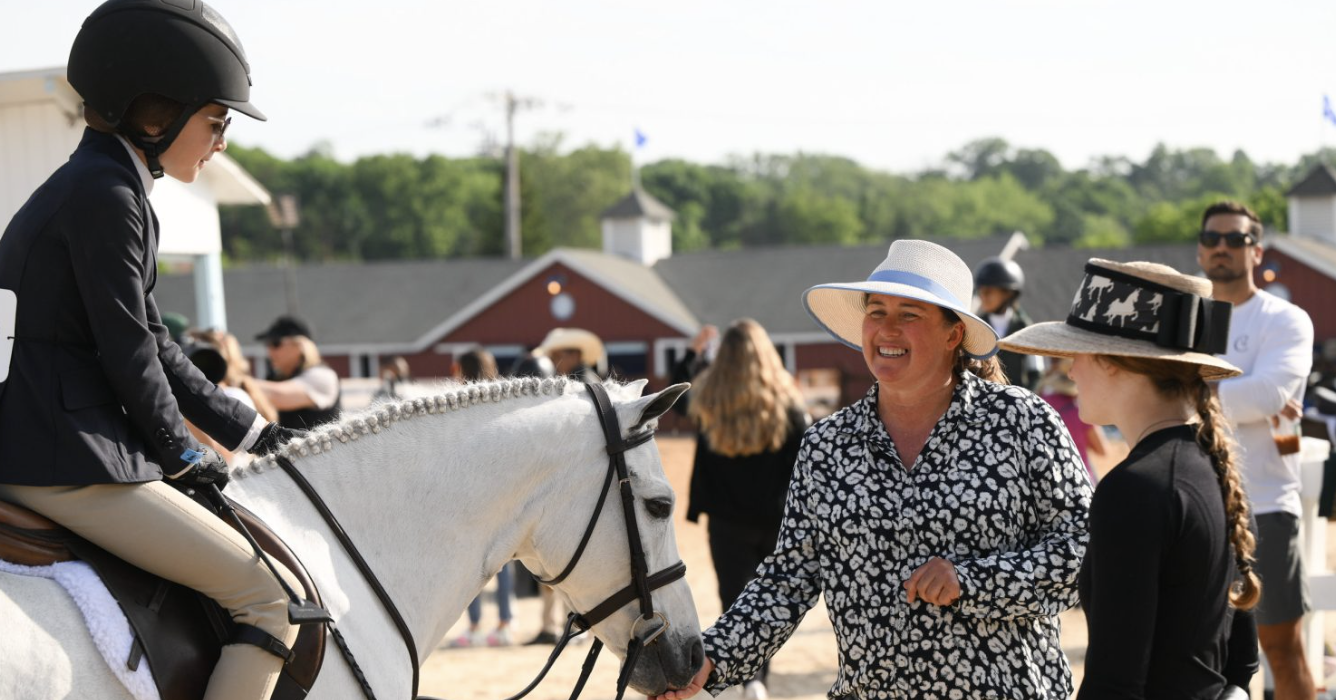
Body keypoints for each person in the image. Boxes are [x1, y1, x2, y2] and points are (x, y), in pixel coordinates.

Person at [0, 2, 304, 698]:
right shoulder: (108, 196)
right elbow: (128, 351)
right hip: (72, 462)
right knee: (270, 600)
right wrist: (184, 454)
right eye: (217, 120)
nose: (222, 140)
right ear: (155, 114)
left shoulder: (96, 185)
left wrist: (255, 432)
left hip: (48, 442)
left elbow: (153, 340)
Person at [655, 240, 1092, 700]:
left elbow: (1088, 547)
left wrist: (973, 581)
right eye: (876, 311)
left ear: (953, 335)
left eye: (910, 314)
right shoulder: (828, 445)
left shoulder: (1022, 421)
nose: (887, 329)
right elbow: (788, 580)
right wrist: (714, 659)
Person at [999, 258, 1259, 698]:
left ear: (1113, 361)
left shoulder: (1135, 488)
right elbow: (1241, 663)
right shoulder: (1218, 471)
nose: (1072, 370)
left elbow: (1115, 682)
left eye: (1076, 353)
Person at [1196, 201, 1316, 700]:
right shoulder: (1185, 316)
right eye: (1211, 238)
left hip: (1264, 503)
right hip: (1194, 506)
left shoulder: (1286, 319)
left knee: (1281, 650)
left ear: (1256, 250)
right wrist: (1239, 394)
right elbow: (1253, 396)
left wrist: (1183, 391)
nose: (1221, 246)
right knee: (1197, 656)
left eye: (1235, 239)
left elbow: (1268, 396)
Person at [684, 319, 809, 700]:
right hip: (775, 517)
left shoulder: (709, 395)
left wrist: (694, 352)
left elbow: (680, 384)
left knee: (734, 600)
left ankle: (747, 677)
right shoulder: (786, 399)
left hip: (726, 518)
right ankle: (758, 680)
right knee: (768, 599)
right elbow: (800, 457)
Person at [523, 327, 607, 644]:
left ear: (572, 354)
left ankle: (571, 626)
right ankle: (555, 625)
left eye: (558, 355)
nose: (555, 361)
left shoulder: (580, 386)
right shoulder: (586, 382)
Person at [447, 348, 516, 648]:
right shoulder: (503, 401)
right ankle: (504, 624)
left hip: (472, 491)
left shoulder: (463, 404)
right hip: (503, 489)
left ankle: (474, 626)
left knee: (470, 564)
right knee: (503, 563)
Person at [253, 315, 342, 430]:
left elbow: (278, 396)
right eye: (267, 344)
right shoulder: (274, 378)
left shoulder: (322, 375)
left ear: (300, 345)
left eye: (276, 343)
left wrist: (236, 381)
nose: (269, 351)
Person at [973, 256, 1042, 390]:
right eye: (980, 292)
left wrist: (1026, 401)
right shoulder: (977, 327)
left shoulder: (1024, 327)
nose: (983, 298)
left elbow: (1036, 372)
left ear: (1008, 293)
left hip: (1017, 401)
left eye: (988, 292)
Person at [1037, 357, 1108, 483]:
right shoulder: (1080, 410)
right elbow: (1102, 450)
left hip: (1050, 481)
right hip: (1080, 479)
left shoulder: (1040, 403)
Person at [533, 327, 604, 384]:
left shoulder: (584, 383)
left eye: (556, 357)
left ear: (574, 356)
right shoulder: (584, 379)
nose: (553, 362)